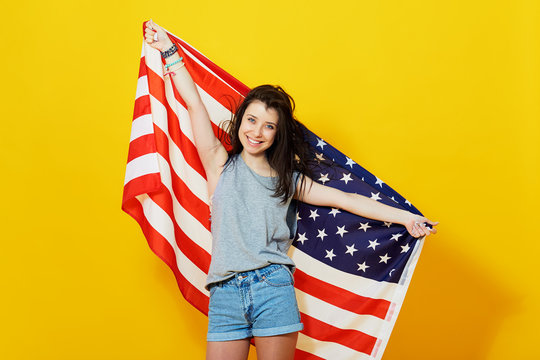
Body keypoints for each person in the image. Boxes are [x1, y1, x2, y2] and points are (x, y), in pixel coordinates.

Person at [144, 20, 439, 360]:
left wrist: (406, 218)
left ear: (277, 134)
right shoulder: (219, 165)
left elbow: (345, 199)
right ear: (241, 122)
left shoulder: (288, 180)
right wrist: (169, 50)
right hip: (224, 292)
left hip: (273, 289)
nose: (257, 132)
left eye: (269, 126)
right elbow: (194, 104)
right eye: (252, 121)